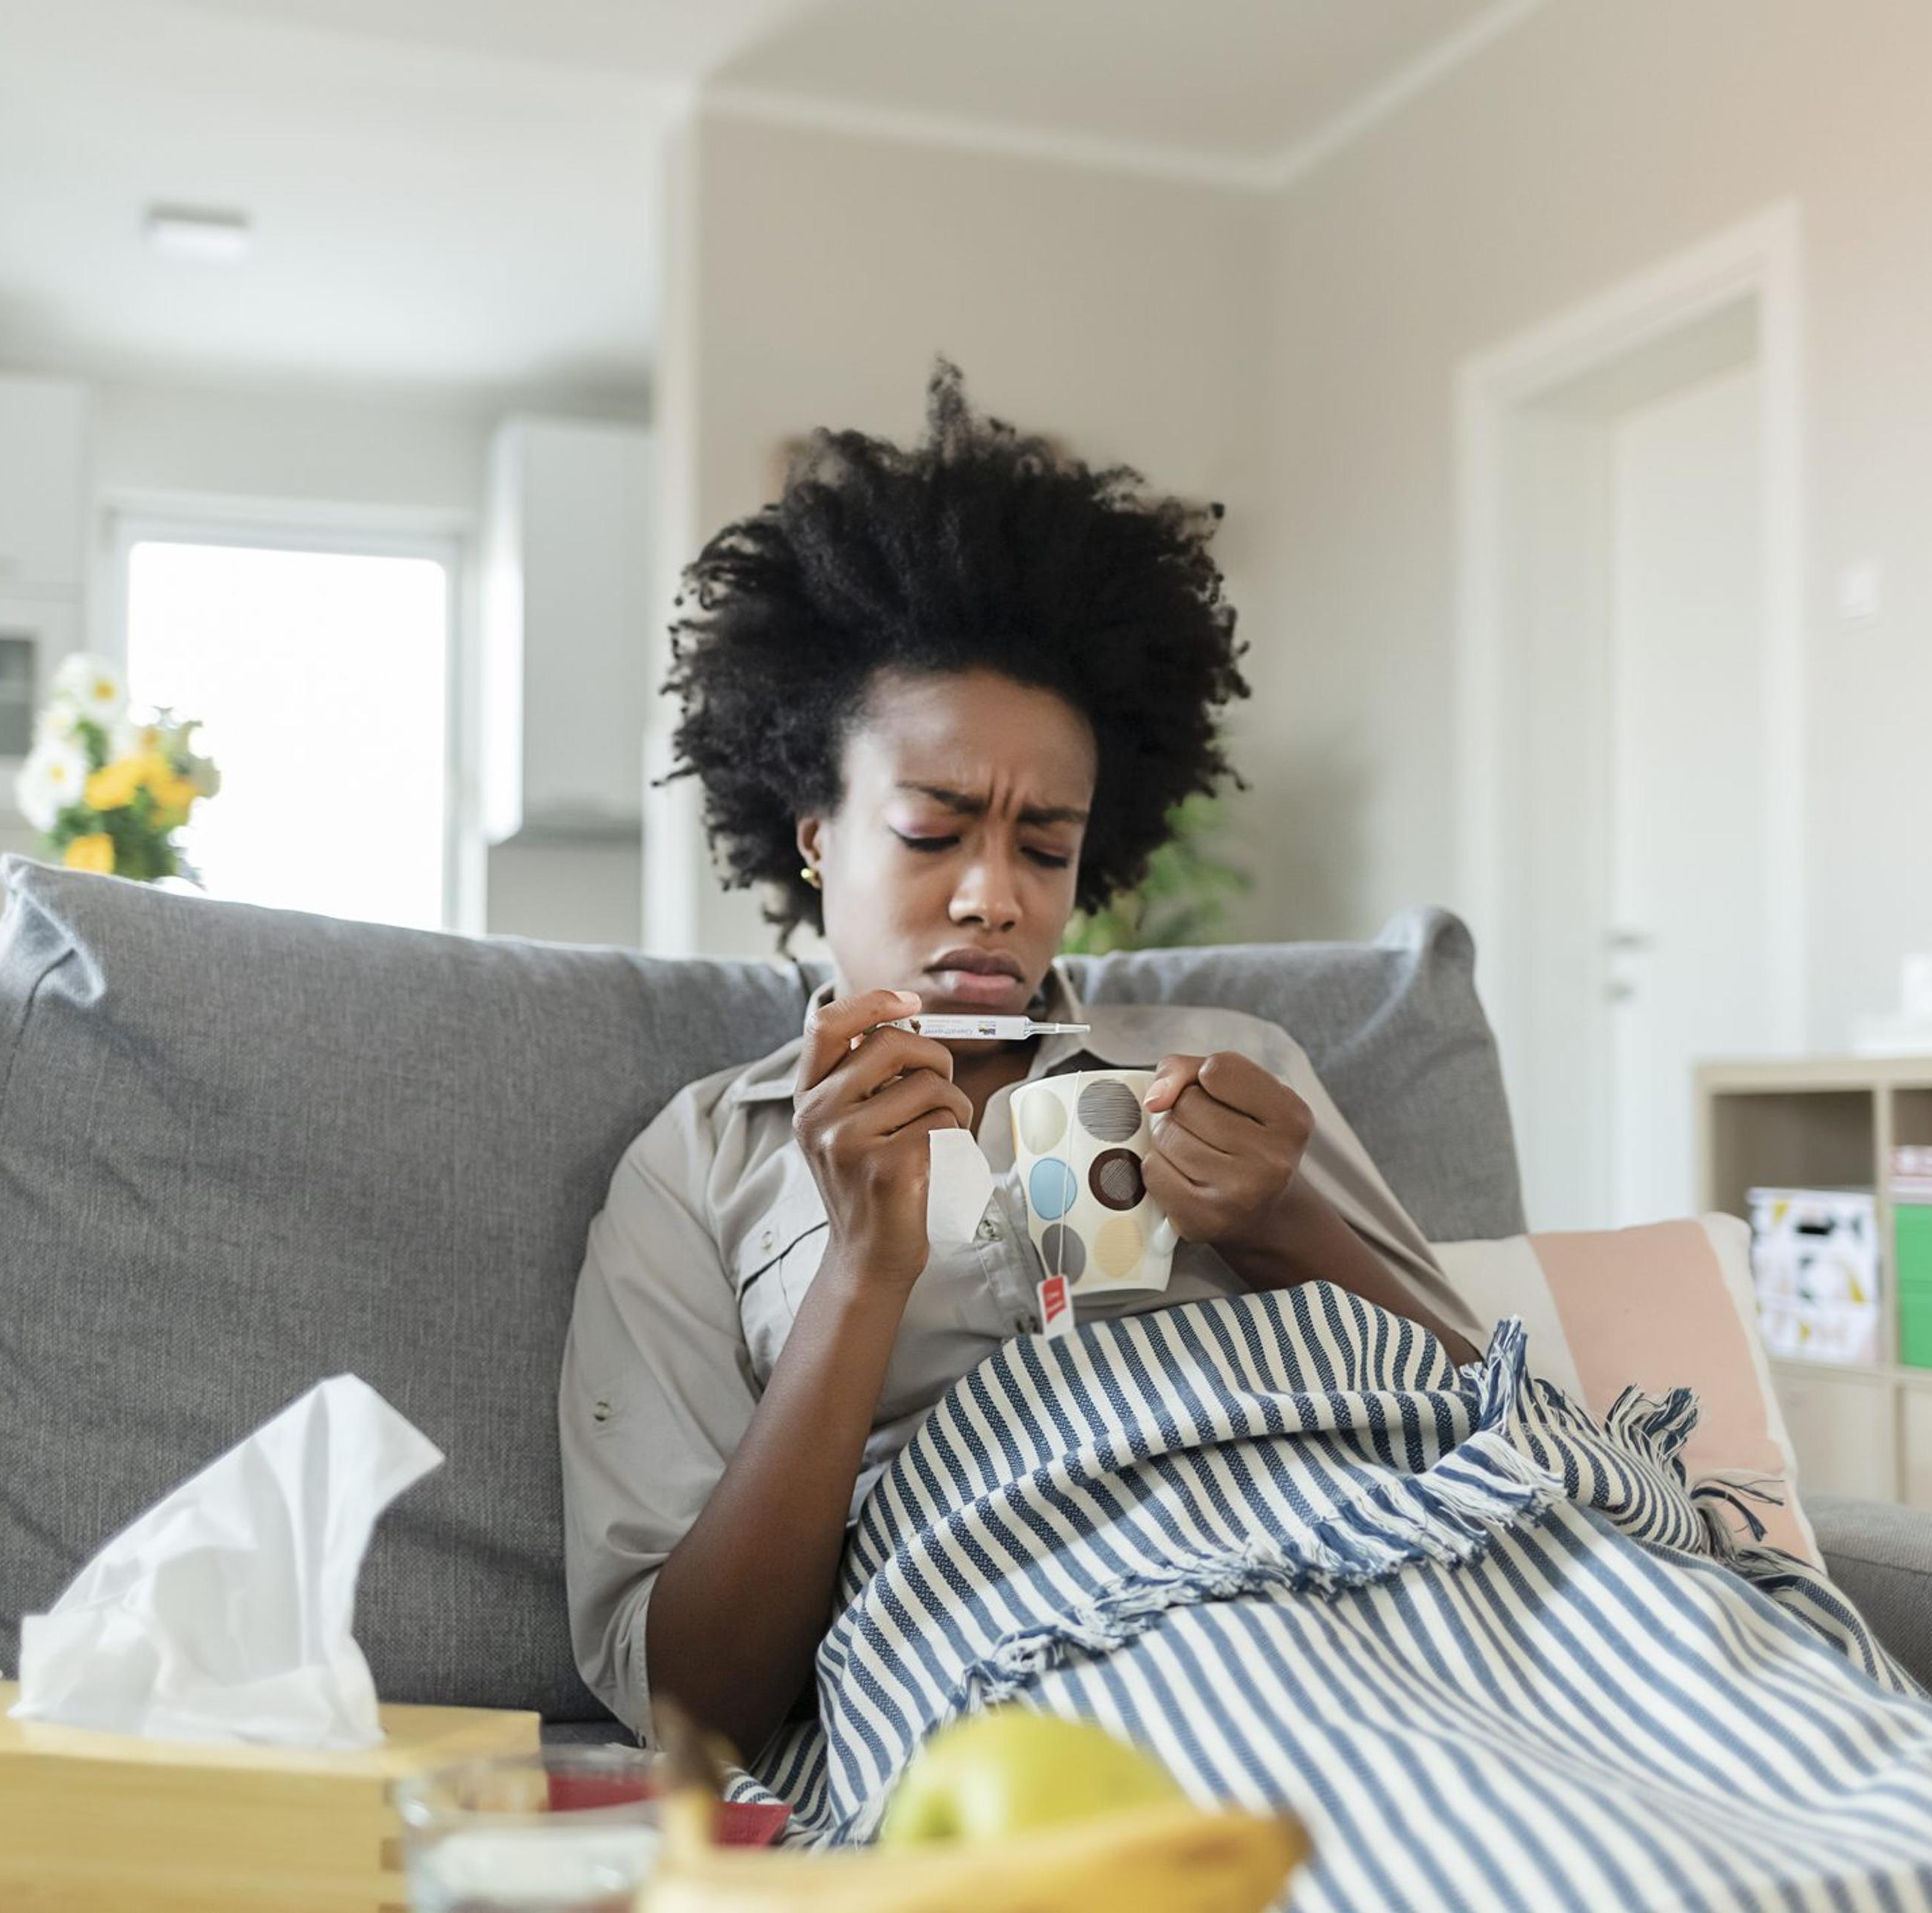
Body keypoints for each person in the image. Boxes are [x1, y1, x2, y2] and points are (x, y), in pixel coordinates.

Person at [557, 367, 1480, 1759]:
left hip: (1377, 1602)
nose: (997, 895)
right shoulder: (701, 1162)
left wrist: (1286, 1224)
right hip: (1035, 1683)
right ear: (817, 832)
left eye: (1046, 847)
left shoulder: (1237, 1068)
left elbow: (1507, 1431)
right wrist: (865, 1270)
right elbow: (699, 1707)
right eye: (934, 833)